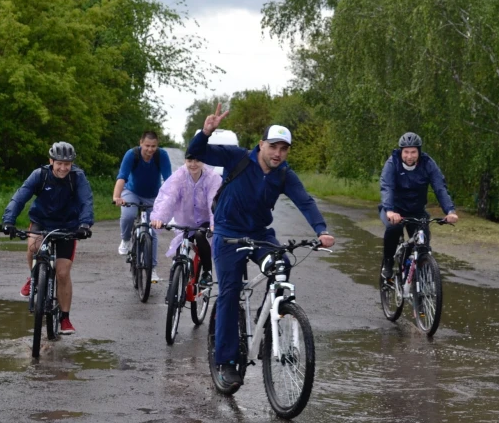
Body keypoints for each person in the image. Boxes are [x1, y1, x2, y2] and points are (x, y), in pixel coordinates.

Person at [186, 103, 335, 389]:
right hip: (228, 235)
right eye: (273, 147)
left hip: (259, 234)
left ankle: (269, 318)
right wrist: (205, 133)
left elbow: (304, 201)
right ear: (261, 144)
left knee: (282, 265)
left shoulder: (284, 174)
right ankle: (226, 361)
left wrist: (321, 230)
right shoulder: (237, 157)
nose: (278, 153)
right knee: (230, 292)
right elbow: (196, 153)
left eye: (284, 149)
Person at [0, 141, 94, 335]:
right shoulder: (40, 175)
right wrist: (8, 220)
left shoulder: (77, 177)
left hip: (68, 226)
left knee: (62, 272)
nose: (63, 168)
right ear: (51, 161)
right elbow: (20, 197)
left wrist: (85, 225)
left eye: (67, 164)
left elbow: (86, 201)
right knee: (33, 247)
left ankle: (65, 318)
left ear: (72, 164)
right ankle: (33, 276)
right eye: (59, 163)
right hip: (41, 222)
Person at [379, 132, 458, 280]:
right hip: (394, 209)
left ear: (419, 152)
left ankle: (415, 271)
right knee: (394, 229)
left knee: (422, 244)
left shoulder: (428, 163)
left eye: (413, 152)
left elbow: (440, 187)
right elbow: (387, 186)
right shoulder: (393, 163)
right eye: (406, 152)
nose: (410, 156)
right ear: (401, 152)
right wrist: (389, 211)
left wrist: (450, 210)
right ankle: (388, 263)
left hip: (416, 210)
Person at [149, 153, 221, 288]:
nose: (193, 164)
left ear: (204, 160)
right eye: (190, 160)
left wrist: (214, 223)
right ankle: (175, 285)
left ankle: (207, 272)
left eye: (197, 160)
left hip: (205, 221)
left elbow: (214, 202)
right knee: (180, 251)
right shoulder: (178, 176)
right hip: (185, 221)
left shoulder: (213, 178)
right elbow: (168, 197)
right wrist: (159, 218)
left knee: (200, 235)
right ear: (185, 160)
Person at [113, 130, 172, 283]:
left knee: (153, 231)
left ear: (157, 145)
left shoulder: (161, 155)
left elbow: (169, 180)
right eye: (147, 146)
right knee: (128, 215)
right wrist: (117, 196)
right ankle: (126, 239)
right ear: (141, 143)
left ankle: (152, 269)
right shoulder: (132, 154)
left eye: (153, 146)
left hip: (153, 196)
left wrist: (170, 199)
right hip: (131, 192)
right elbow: (122, 176)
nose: (150, 149)